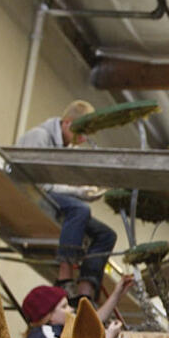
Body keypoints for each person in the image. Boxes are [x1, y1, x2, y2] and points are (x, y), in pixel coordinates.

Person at [16, 100, 117, 302]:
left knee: (106, 235)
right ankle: (65, 275)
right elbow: (40, 185)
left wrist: (86, 189)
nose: (83, 139)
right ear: (67, 123)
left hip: (54, 197)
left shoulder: (66, 146)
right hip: (32, 193)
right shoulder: (40, 137)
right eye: (81, 133)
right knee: (80, 209)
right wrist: (79, 193)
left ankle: (86, 289)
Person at [17, 276, 135, 338]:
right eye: (64, 307)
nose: (71, 309)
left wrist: (117, 294)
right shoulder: (44, 336)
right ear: (49, 317)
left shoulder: (58, 332)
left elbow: (92, 321)